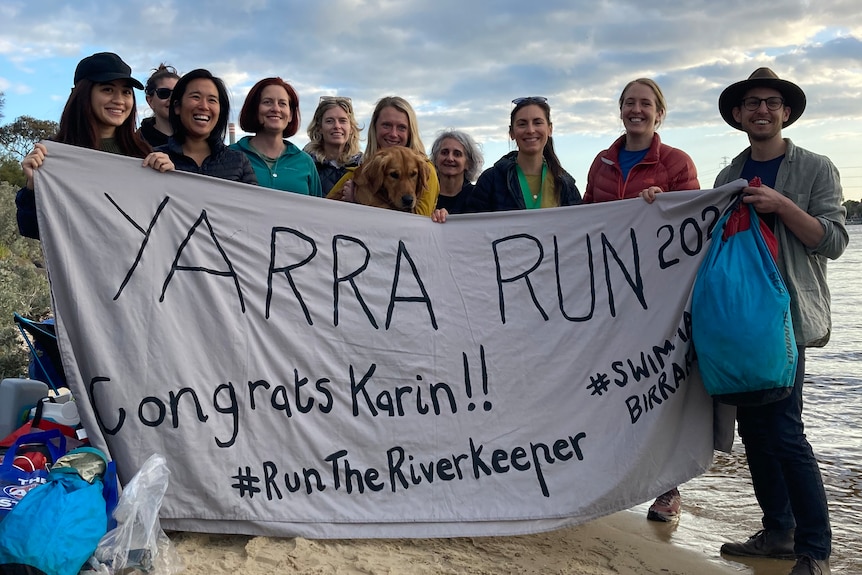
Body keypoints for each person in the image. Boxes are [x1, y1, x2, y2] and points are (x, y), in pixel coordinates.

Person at [714, 68, 847, 575]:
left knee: (786, 431)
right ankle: (778, 531)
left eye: (771, 103)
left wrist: (781, 205)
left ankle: (814, 548)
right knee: (754, 431)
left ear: (786, 112)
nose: (762, 110)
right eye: (752, 103)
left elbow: (833, 241)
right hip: (740, 324)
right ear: (738, 115)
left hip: (787, 320)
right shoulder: (728, 178)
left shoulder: (816, 168)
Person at [584, 78, 700, 523]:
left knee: (660, 384)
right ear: (620, 110)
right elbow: (586, 214)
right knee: (612, 381)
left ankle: (667, 489)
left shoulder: (674, 161)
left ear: (659, 113)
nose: (637, 110)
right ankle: (610, 472)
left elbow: (695, 217)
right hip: (610, 292)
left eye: (645, 104)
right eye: (629, 103)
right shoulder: (602, 161)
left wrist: (663, 202)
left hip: (660, 293)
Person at [16, 52, 173, 239]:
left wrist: (168, 182)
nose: (119, 100)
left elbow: (163, 228)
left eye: (126, 92)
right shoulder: (52, 155)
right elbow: (32, 230)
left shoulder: (142, 154)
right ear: (82, 94)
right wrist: (34, 187)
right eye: (107, 89)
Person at [434, 97, 578, 220]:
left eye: (537, 122)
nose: (530, 130)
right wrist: (450, 221)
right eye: (522, 124)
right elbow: (471, 230)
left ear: (550, 129)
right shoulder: (491, 180)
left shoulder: (565, 183)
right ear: (512, 133)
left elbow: (580, 228)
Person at [326, 96, 439, 215]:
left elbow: (417, 223)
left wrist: (357, 202)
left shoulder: (425, 168)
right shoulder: (355, 175)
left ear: (410, 132)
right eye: (386, 125)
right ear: (375, 128)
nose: (393, 134)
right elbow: (322, 210)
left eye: (401, 127)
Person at [155, 68, 256, 184]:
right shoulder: (157, 159)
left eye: (212, 100)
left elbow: (254, 201)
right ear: (177, 106)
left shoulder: (238, 161)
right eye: (195, 97)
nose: (204, 106)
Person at [231, 77, 321, 195]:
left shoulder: (305, 162)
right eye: (267, 102)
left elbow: (317, 211)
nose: (276, 109)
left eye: (282, 104)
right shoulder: (230, 155)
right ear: (255, 110)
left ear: (290, 115)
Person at [303, 96, 362, 196]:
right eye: (329, 121)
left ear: (351, 128)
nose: (337, 126)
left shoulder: (362, 166)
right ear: (319, 128)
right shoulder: (304, 164)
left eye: (343, 121)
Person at [430, 130, 484, 215]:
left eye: (457, 154)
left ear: (468, 163)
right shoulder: (424, 195)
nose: (450, 158)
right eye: (444, 153)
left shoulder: (478, 196)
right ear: (435, 159)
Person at [138, 63, 180, 147]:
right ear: (150, 101)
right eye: (164, 93)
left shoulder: (198, 138)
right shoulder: (136, 142)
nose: (171, 99)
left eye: (178, 93)